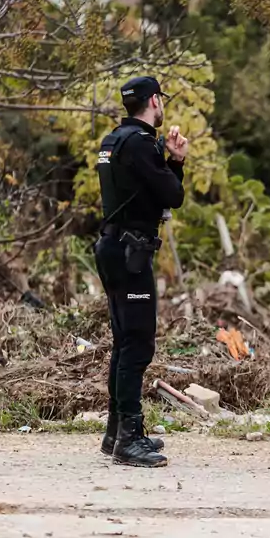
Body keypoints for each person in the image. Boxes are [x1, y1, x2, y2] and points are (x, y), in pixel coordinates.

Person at [94, 75, 188, 469]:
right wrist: (176, 161)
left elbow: (142, 189)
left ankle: (116, 431)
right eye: (161, 100)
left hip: (112, 247)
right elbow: (172, 195)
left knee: (123, 341)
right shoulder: (141, 143)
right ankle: (128, 439)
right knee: (138, 343)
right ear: (154, 100)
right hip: (131, 252)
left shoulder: (112, 141)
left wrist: (163, 163)